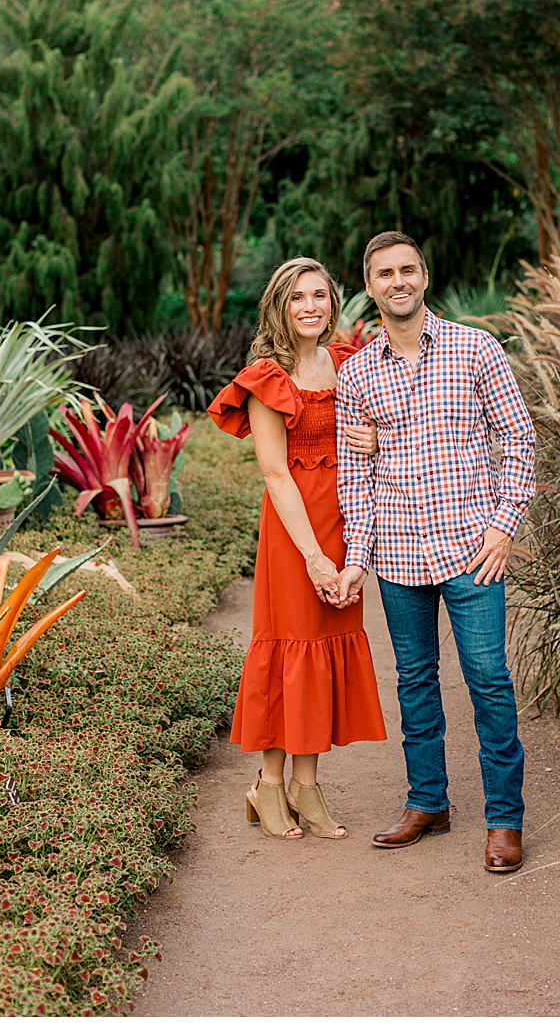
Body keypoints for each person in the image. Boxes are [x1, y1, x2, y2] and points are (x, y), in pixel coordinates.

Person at [333, 230, 537, 874]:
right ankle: (429, 802)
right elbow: (352, 480)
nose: (398, 282)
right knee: (415, 683)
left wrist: (503, 527)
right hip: (397, 554)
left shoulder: (476, 349)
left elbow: (520, 441)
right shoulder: (358, 373)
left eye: (408, 270)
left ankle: (504, 819)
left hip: (473, 550)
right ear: (370, 288)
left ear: (425, 276)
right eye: (384, 274)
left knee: (488, 679)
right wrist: (358, 559)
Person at [209, 256, 387, 841]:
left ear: (333, 303)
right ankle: (267, 782)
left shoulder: (348, 364)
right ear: (279, 308)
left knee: (326, 643)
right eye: (297, 298)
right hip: (295, 532)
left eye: (320, 295)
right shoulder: (266, 377)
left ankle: (306, 785)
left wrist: (369, 436)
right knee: (291, 645)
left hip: (345, 522)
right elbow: (275, 474)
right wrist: (313, 555)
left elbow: (378, 432)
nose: (311, 306)